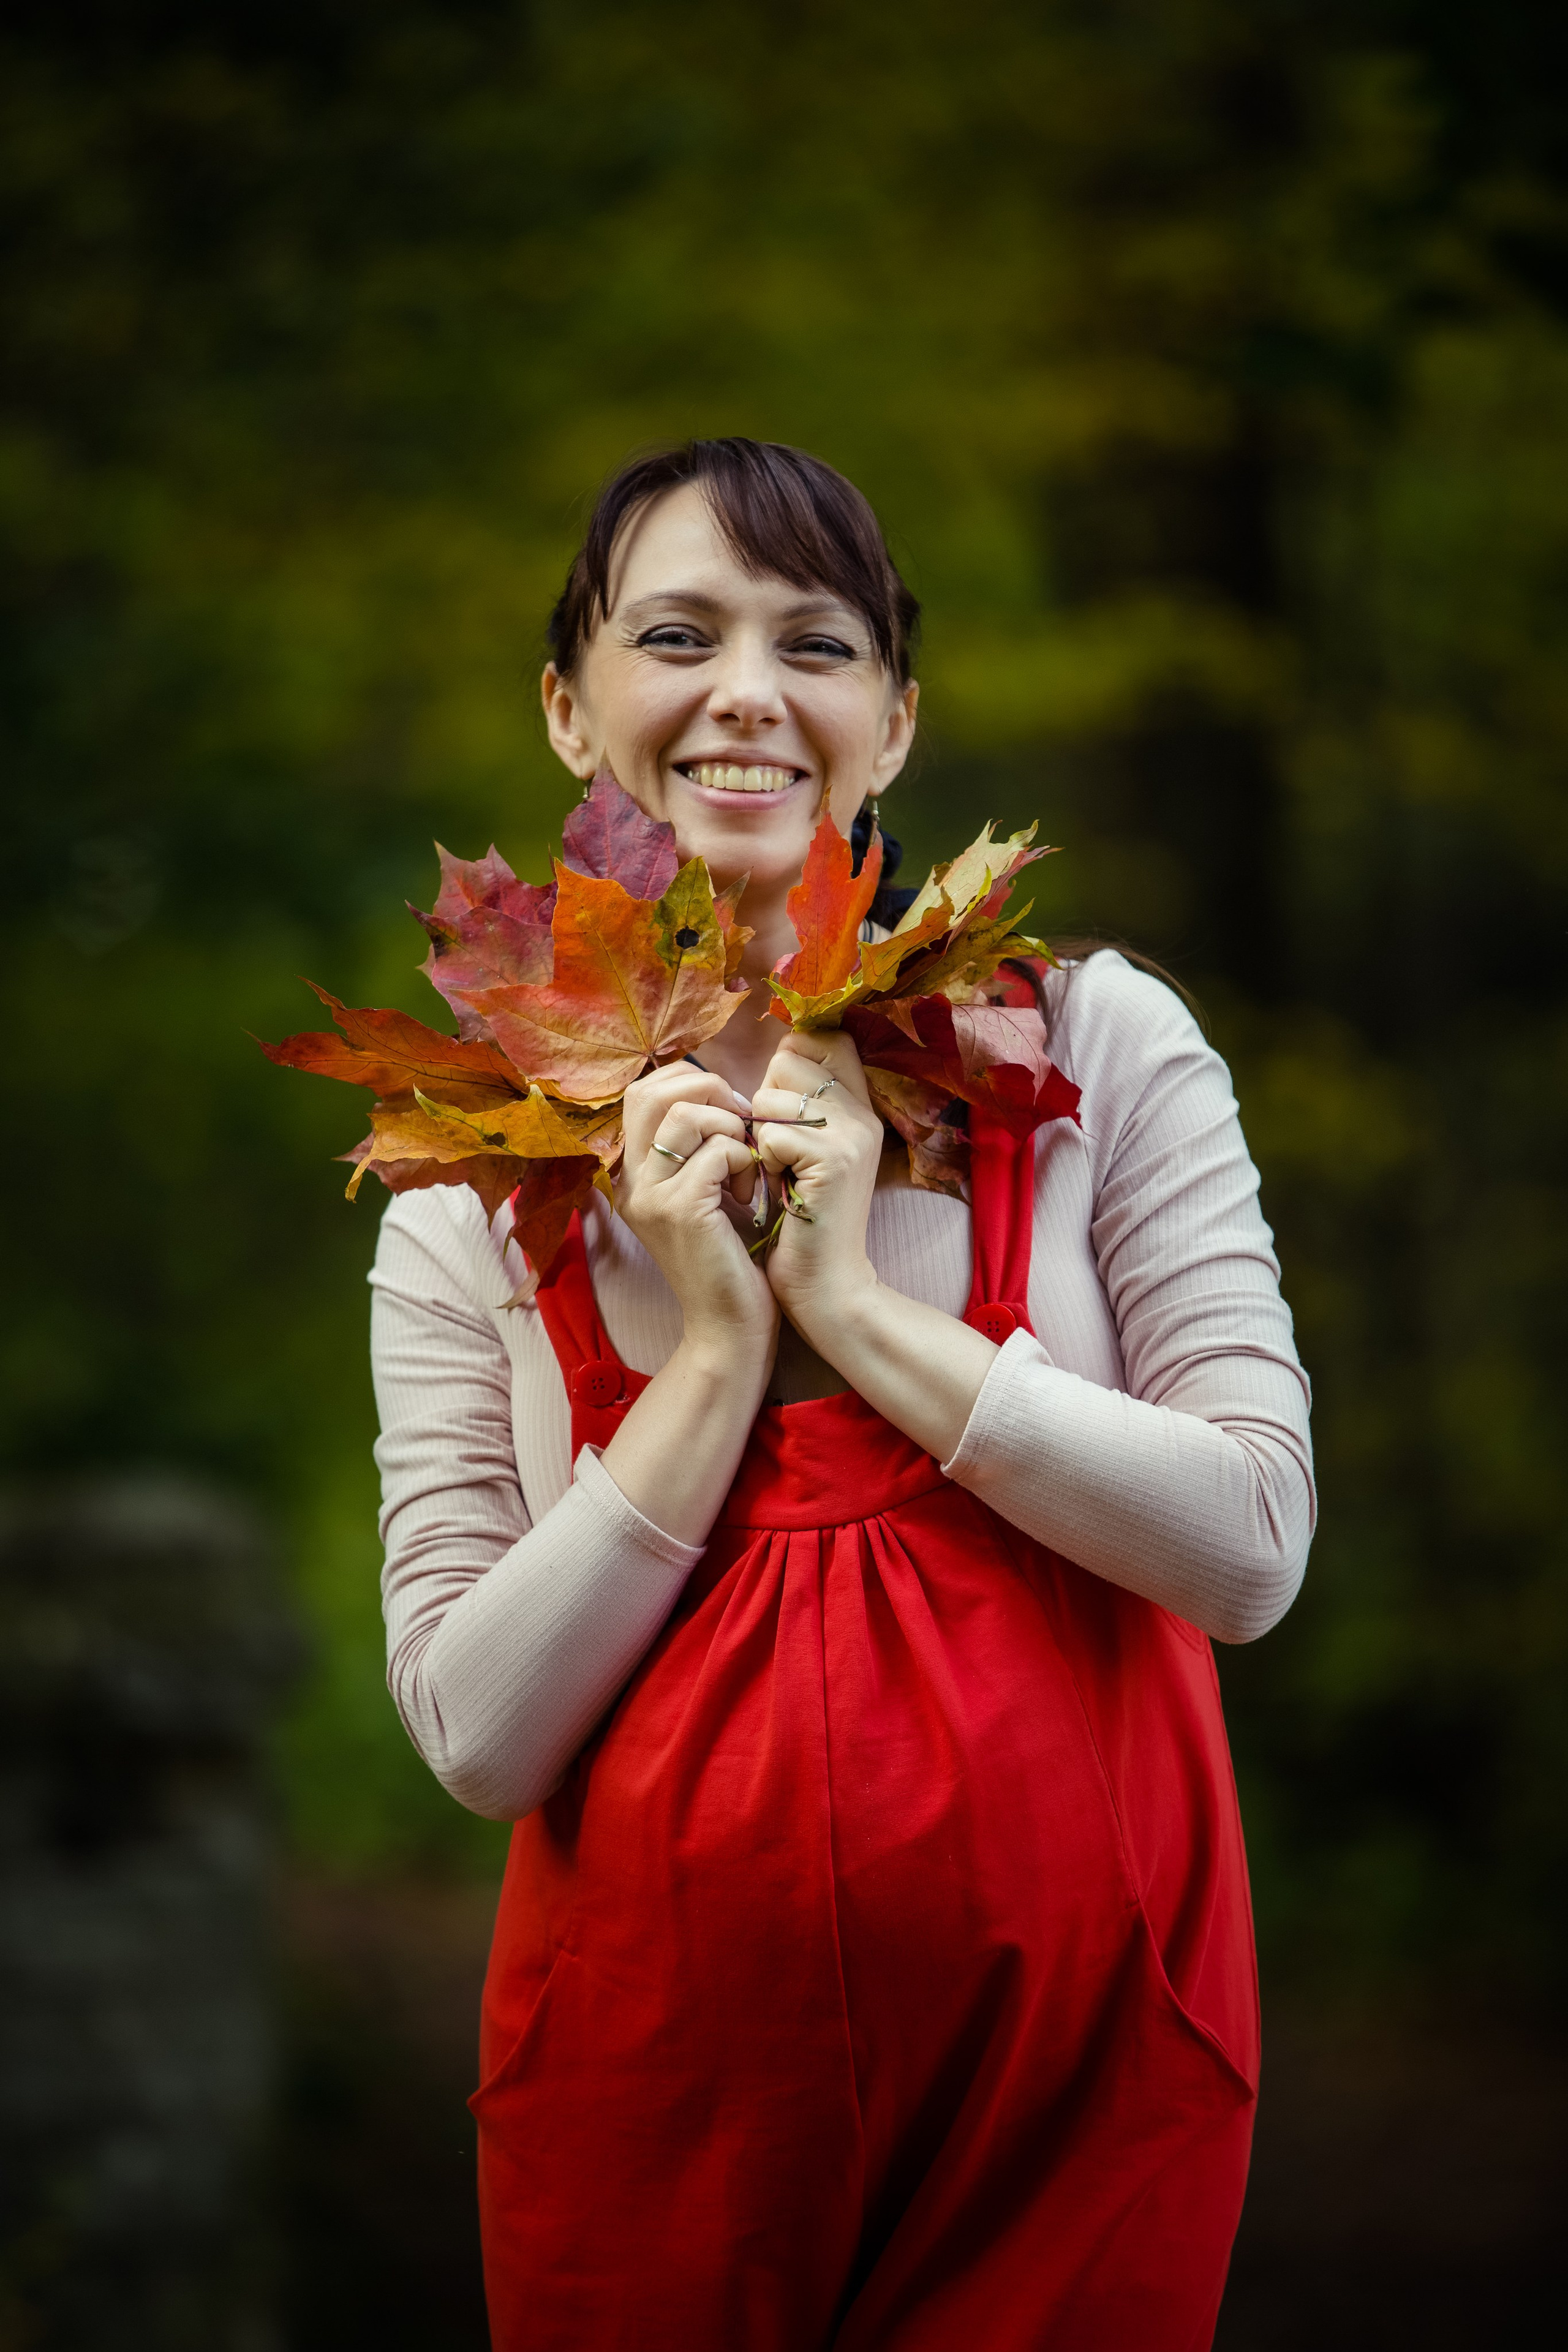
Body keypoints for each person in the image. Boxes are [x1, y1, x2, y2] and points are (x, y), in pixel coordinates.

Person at [368, 438, 1314, 2350]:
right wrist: (715, 1353)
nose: (747, 691)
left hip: (1077, 2084)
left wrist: (854, 1305)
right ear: (572, 708)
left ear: (892, 718)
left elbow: (1251, 1545)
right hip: (645, 2105)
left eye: (816, 641)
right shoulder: (466, 1184)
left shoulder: (1094, 1046)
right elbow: (476, 1736)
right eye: (676, 634)